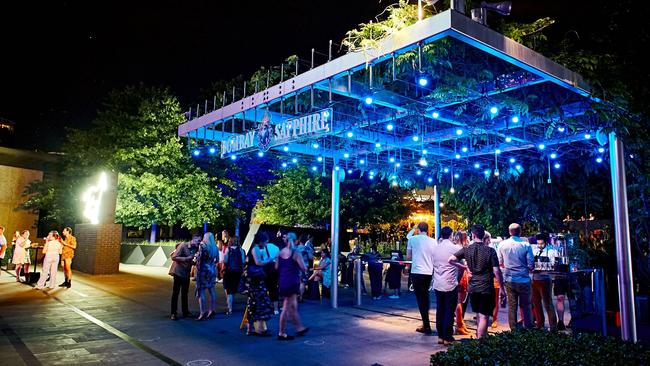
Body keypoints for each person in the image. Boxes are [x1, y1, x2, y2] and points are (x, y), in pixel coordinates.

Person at [449, 224, 504, 339]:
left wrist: (464, 267)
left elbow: (451, 260)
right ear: (483, 235)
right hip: (486, 287)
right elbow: (496, 271)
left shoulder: (467, 249)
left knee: (479, 314)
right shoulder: (490, 251)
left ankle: (480, 337)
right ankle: (480, 340)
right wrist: (502, 288)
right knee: (484, 316)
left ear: (473, 235)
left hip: (473, 286)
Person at [497, 223, 535, 330]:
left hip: (509, 279)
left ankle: (513, 330)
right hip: (523, 279)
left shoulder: (502, 245)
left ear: (509, 232)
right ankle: (528, 329)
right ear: (520, 232)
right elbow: (531, 265)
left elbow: (500, 262)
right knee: (526, 306)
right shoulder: (526, 245)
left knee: (512, 306)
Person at [276, 232, 309, 340]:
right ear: (295, 241)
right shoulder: (296, 253)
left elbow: (276, 267)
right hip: (292, 281)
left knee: (292, 306)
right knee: (286, 307)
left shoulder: (280, 252)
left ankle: (299, 328)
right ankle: (281, 332)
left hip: (283, 281)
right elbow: (304, 268)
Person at [432, 227, 462, 345]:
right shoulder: (455, 248)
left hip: (438, 283)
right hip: (450, 283)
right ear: (451, 235)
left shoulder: (435, 248)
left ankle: (440, 336)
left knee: (440, 309)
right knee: (449, 310)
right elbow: (461, 266)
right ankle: (448, 337)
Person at [406, 222, 436, 335]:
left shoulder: (412, 239)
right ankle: (426, 323)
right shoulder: (433, 241)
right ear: (427, 230)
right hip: (428, 271)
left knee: (420, 298)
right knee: (425, 296)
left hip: (417, 271)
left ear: (418, 229)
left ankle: (426, 324)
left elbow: (409, 256)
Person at [246, 232, 274, 336]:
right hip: (256, 280)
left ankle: (251, 328)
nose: (266, 244)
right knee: (260, 302)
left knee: (252, 303)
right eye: (266, 241)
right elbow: (258, 262)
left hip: (253, 279)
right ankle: (260, 329)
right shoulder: (256, 249)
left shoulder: (254, 248)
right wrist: (269, 260)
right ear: (261, 240)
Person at [169, 234, 200, 320]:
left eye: (199, 241)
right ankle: (173, 313)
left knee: (185, 293)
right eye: (198, 240)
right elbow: (174, 257)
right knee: (176, 293)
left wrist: (194, 261)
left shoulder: (196, 248)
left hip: (186, 273)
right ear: (193, 240)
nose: (199, 243)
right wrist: (186, 259)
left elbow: (192, 260)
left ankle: (185, 311)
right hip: (178, 272)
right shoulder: (183, 245)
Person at [531, 233, 558, 330]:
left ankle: (553, 326)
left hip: (545, 280)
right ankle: (540, 324)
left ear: (545, 242)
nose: (540, 245)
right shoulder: (534, 250)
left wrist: (545, 267)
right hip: (535, 279)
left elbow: (553, 265)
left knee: (548, 304)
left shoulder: (551, 251)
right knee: (536, 303)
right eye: (538, 243)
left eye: (541, 244)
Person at [195, 232, 219, 320]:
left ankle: (202, 312)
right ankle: (212, 309)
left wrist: (196, 257)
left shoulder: (203, 246)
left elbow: (199, 260)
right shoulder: (215, 248)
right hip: (212, 270)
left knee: (201, 292)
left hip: (203, 271)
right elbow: (217, 260)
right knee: (212, 291)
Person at [452, 230, 471, 335]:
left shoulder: (456, 248)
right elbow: (463, 265)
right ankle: (459, 325)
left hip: (459, 275)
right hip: (461, 276)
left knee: (460, 302)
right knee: (459, 302)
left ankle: (460, 324)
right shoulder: (461, 249)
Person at [223, 236, 246, 315]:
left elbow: (225, 261)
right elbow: (243, 261)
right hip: (238, 272)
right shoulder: (241, 250)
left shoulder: (227, 250)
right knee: (235, 288)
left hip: (229, 272)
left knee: (229, 291)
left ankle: (230, 309)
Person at [486, 232, 503, 328]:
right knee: (491, 300)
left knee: (494, 300)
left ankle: (494, 319)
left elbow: (497, 266)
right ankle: (490, 318)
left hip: (492, 278)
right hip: (488, 278)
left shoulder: (493, 250)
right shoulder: (490, 250)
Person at [263, 234, 281, 314]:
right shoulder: (276, 248)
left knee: (264, 288)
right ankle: (276, 309)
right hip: (274, 269)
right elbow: (279, 259)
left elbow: (261, 259)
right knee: (274, 288)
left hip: (265, 269)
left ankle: (266, 306)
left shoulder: (263, 247)